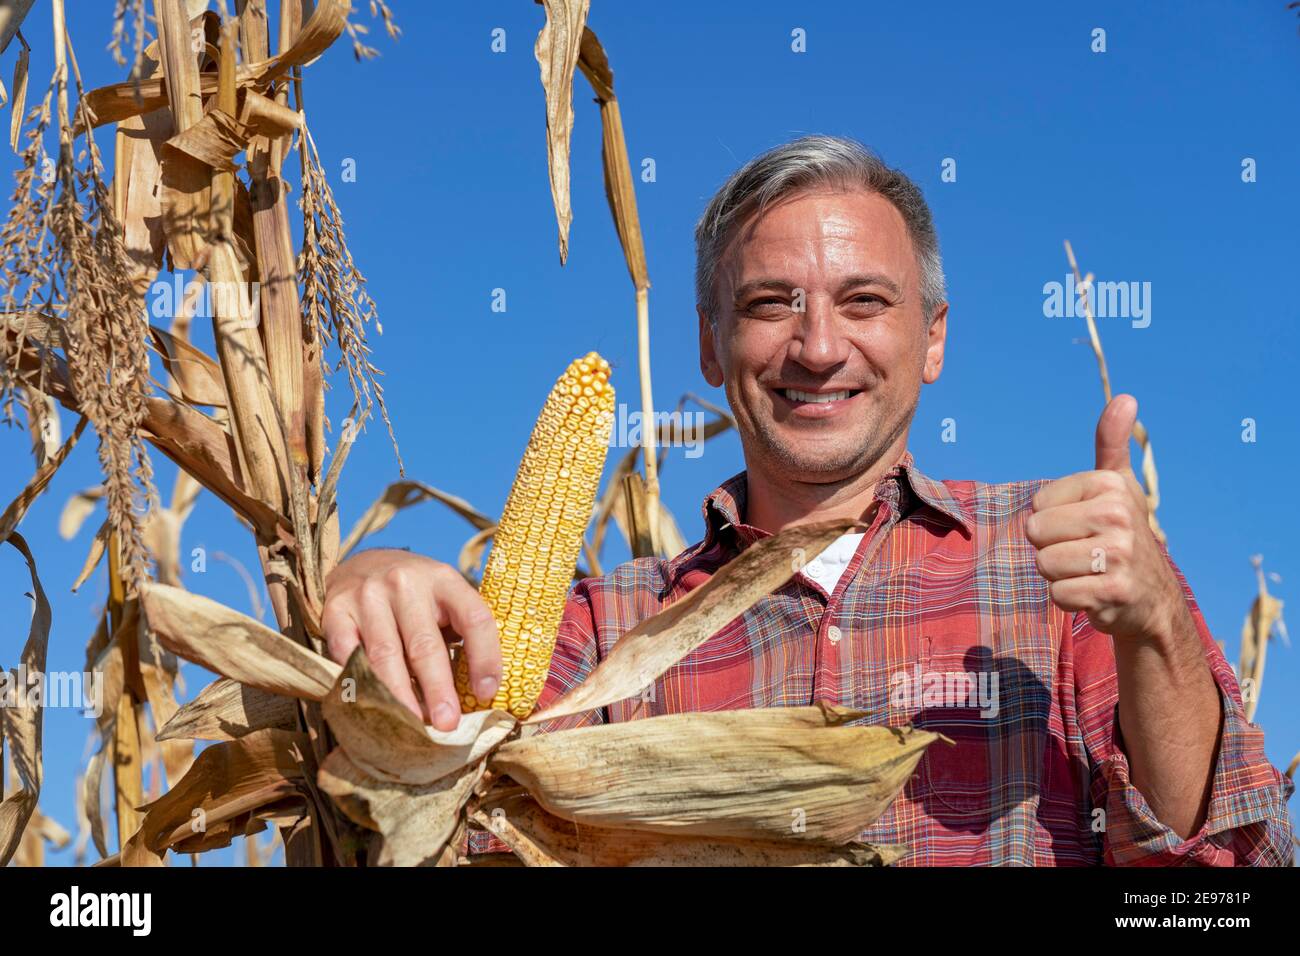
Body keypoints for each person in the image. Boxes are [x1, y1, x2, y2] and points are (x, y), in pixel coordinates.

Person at [321, 135, 1294, 865]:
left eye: (864, 301)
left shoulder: (1063, 567)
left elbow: (1211, 876)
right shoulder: (600, 626)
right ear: (709, 344)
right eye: (769, 303)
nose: (818, 346)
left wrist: (1158, 620)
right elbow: (454, 806)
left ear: (934, 337)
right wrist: (373, 598)